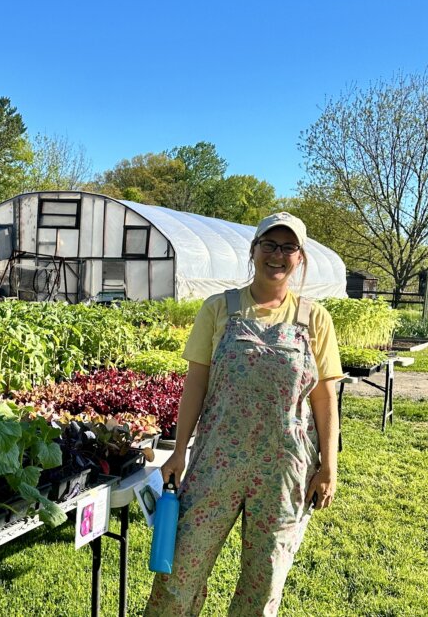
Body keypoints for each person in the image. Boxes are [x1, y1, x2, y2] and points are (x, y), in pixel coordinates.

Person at [146, 212, 342, 617]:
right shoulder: (219, 309)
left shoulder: (314, 318)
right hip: (217, 459)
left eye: (289, 247)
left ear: (300, 258)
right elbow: (195, 385)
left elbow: (324, 398)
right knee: (180, 571)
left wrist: (329, 467)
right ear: (253, 251)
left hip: (285, 467)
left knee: (264, 581)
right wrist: (178, 452)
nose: (278, 255)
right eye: (269, 244)